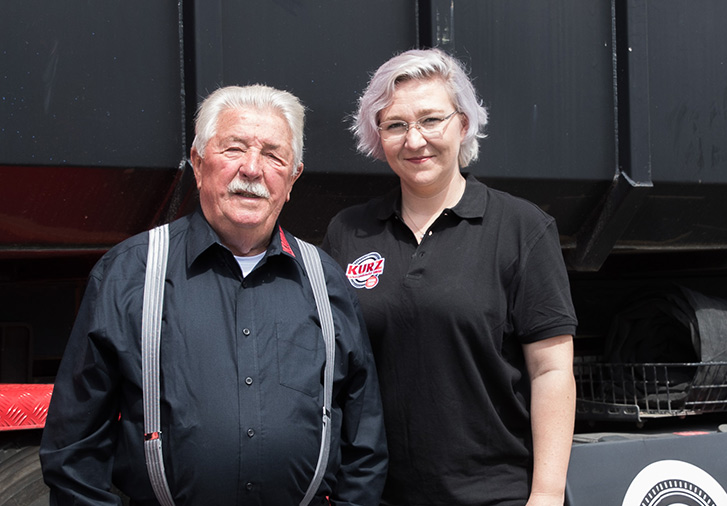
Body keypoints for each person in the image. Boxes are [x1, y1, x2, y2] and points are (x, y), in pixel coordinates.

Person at [40, 84, 388, 505]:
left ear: (293, 177)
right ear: (199, 162)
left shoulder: (327, 283)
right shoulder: (130, 273)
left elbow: (364, 445)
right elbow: (74, 448)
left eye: (274, 155)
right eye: (234, 149)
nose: (253, 169)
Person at [322, 49, 577, 506]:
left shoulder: (521, 228)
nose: (414, 140)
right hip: (377, 495)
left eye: (431, 120)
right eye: (396, 125)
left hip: (495, 495)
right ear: (378, 138)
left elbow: (552, 369)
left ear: (462, 125)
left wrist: (546, 493)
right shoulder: (348, 232)